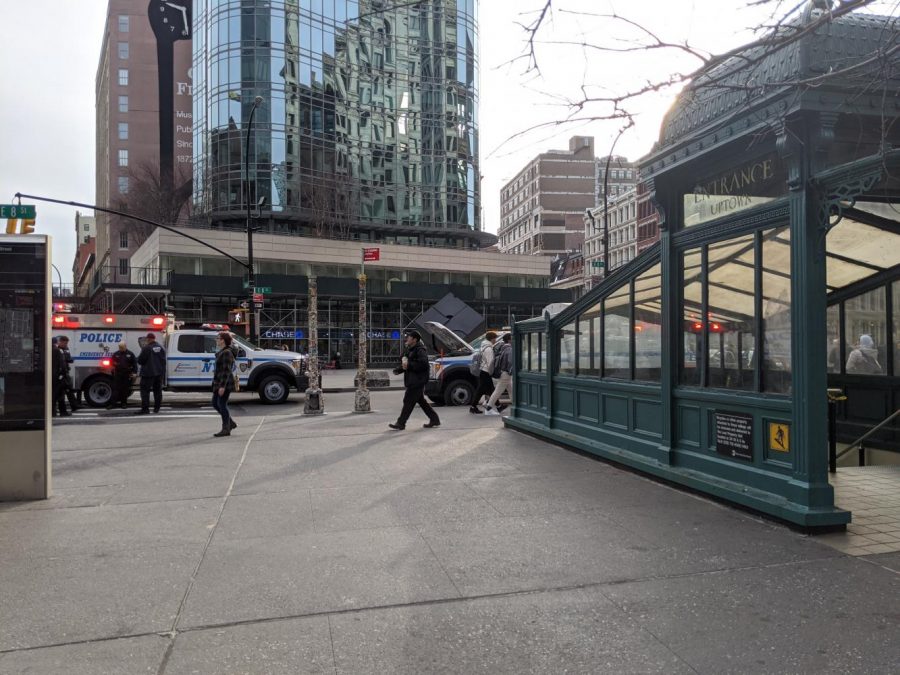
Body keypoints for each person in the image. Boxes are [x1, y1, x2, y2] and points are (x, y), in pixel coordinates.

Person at [389, 329, 440, 430]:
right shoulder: (411, 349)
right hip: (413, 380)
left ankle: (401, 423)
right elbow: (406, 364)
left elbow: (423, 364)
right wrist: (398, 370)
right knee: (421, 401)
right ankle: (434, 419)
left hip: (418, 381)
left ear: (415, 339)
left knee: (408, 401)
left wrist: (409, 365)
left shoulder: (420, 350)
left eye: (409, 337)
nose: (407, 338)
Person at [211, 332, 237, 437]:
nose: (216, 340)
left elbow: (226, 370)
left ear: (223, 340)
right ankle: (230, 423)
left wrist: (222, 386)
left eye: (218, 338)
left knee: (221, 404)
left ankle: (226, 428)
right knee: (215, 403)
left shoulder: (227, 352)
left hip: (224, 383)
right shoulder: (223, 351)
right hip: (219, 382)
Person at [136, 332, 166, 414]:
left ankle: (145, 409)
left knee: (145, 391)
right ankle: (157, 408)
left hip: (148, 374)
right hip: (159, 373)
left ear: (148, 339)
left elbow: (140, 360)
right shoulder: (161, 347)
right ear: (154, 338)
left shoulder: (147, 348)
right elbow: (163, 361)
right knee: (158, 391)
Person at [485, 333, 513, 416]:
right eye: (512, 338)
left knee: (511, 390)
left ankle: (516, 406)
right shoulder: (509, 349)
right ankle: (488, 408)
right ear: (509, 340)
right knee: (498, 391)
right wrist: (511, 371)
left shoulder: (503, 347)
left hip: (504, 372)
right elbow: (510, 362)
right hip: (506, 373)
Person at [470, 331, 497, 414]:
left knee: (488, 389)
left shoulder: (483, 346)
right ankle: (473, 406)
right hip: (486, 371)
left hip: (483, 370)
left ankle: (496, 405)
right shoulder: (489, 349)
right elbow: (490, 362)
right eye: (495, 338)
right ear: (492, 339)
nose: (495, 340)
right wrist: (492, 372)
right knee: (484, 390)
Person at [108, 342, 137, 409]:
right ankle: (112, 404)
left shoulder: (130, 354)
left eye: (122, 347)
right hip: (118, 374)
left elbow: (134, 364)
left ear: (125, 346)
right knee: (115, 389)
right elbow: (111, 362)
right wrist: (114, 364)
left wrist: (134, 372)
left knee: (125, 390)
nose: (121, 348)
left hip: (127, 374)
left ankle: (124, 404)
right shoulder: (116, 354)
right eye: (120, 347)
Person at [56, 335, 80, 411]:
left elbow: (67, 358)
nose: (66, 345)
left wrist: (69, 360)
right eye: (65, 343)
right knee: (61, 391)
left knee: (69, 389)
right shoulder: (57, 349)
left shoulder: (66, 349)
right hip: (59, 373)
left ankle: (74, 405)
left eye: (66, 343)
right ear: (60, 342)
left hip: (65, 371)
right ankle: (60, 409)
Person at [51, 337, 70, 417]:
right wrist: (64, 374)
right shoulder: (58, 351)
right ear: (57, 342)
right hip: (58, 376)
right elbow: (62, 364)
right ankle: (63, 412)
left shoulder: (47, 349)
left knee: (52, 395)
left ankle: (52, 412)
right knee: (60, 395)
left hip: (50, 375)